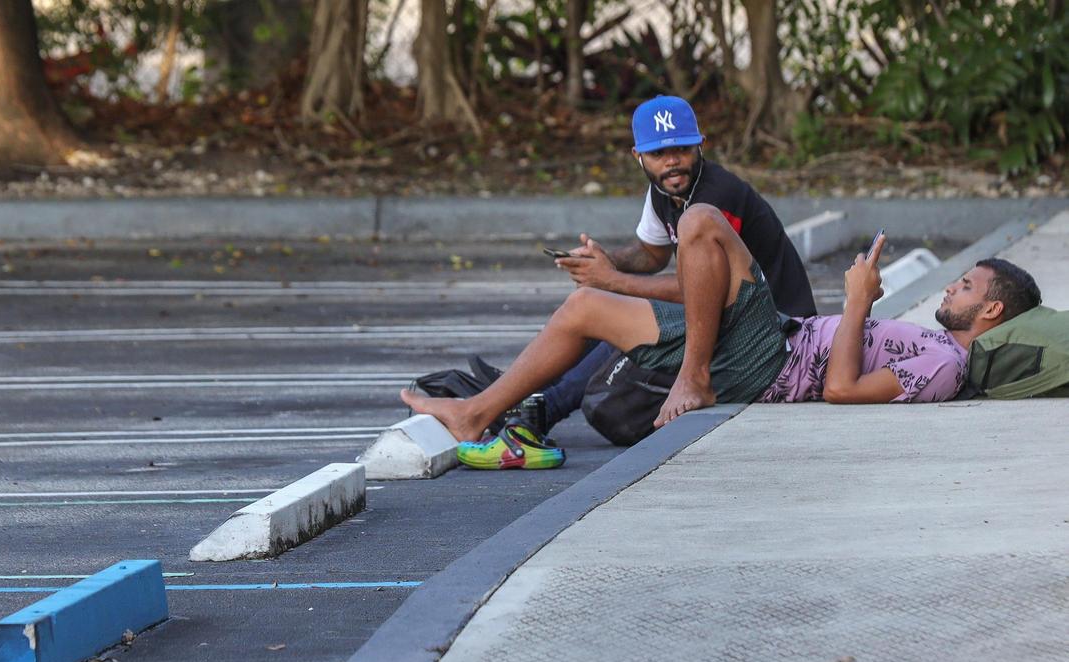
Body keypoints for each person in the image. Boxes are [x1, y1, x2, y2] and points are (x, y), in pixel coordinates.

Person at [400, 202, 1041, 441]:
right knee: (584, 308)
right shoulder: (935, 343)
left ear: (991, 311)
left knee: (703, 220)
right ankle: (477, 412)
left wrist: (856, 303)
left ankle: (695, 376)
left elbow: (844, 391)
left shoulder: (947, 364)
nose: (952, 288)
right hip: (773, 341)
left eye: (965, 287)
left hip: (773, 364)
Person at [504, 95, 818, 432]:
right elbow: (650, 254)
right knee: (610, 309)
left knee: (620, 316)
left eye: (682, 150)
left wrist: (611, 280)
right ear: (638, 157)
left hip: (779, 329)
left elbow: (697, 291)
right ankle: (531, 397)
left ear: (701, 147)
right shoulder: (664, 192)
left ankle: (544, 408)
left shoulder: (716, 198)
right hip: (732, 320)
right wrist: (606, 262)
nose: (672, 163)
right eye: (658, 154)